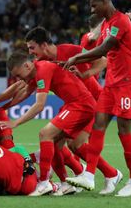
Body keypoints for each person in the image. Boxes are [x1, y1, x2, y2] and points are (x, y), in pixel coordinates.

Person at [63, 0, 131, 197]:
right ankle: (89, 174)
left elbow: (104, 49)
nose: (92, 10)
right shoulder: (107, 24)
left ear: (104, 2)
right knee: (98, 126)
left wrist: (76, 58)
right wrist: (76, 58)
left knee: (123, 131)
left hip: (127, 83)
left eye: (93, 5)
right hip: (111, 84)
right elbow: (93, 52)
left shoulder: (120, 22)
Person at [23, 26, 121, 195]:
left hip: (93, 101)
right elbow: (23, 85)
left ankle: (103, 174)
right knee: (56, 143)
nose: (31, 53)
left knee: (72, 144)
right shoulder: (44, 63)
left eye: (32, 47)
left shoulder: (69, 50)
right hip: (75, 103)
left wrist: (85, 75)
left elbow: (103, 61)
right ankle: (77, 178)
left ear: (43, 45)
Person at [0, 51, 96, 196]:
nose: (19, 79)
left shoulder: (42, 70)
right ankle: (66, 183)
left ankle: (43, 183)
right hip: (75, 104)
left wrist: (15, 123)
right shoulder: (34, 72)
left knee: (45, 134)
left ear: (27, 65)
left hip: (81, 104)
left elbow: (39, 105)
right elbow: (25, 93)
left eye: (19, 75)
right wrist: (3, 107)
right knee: (54, 143)